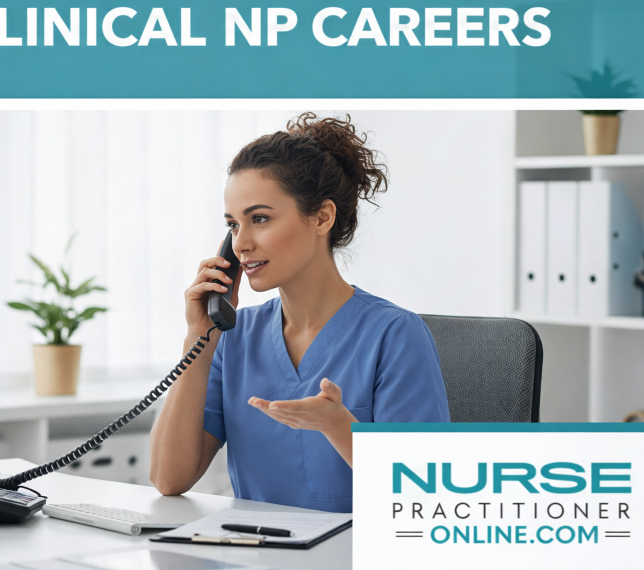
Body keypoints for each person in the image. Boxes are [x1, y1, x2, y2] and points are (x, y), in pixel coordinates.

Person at [149, 112, 450, 513]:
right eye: (233, 225)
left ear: (322, 217)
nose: (241, 244)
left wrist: (337, 426)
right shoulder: (234, 336)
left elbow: (424, 497)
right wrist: (198, 340)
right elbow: (170, 478)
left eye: (260, 219)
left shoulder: (394, 334)